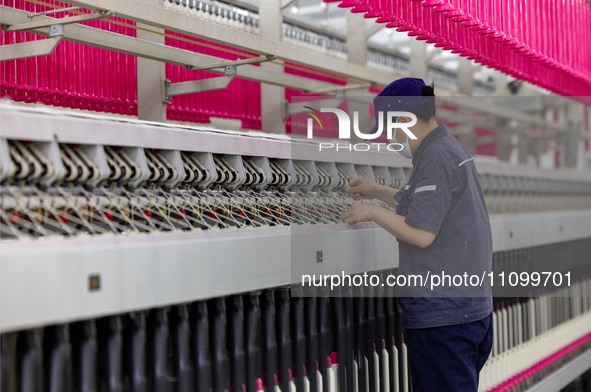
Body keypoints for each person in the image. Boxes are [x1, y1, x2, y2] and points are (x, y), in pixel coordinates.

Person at [341, 78, 494, 392]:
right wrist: (377, 191)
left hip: (445, 319)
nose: (391, 138)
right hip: (468, 310)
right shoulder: (448, 148)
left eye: (391, 129)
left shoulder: (435, 158)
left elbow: (422, 232)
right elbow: (427, 205)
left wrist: (372, 213)